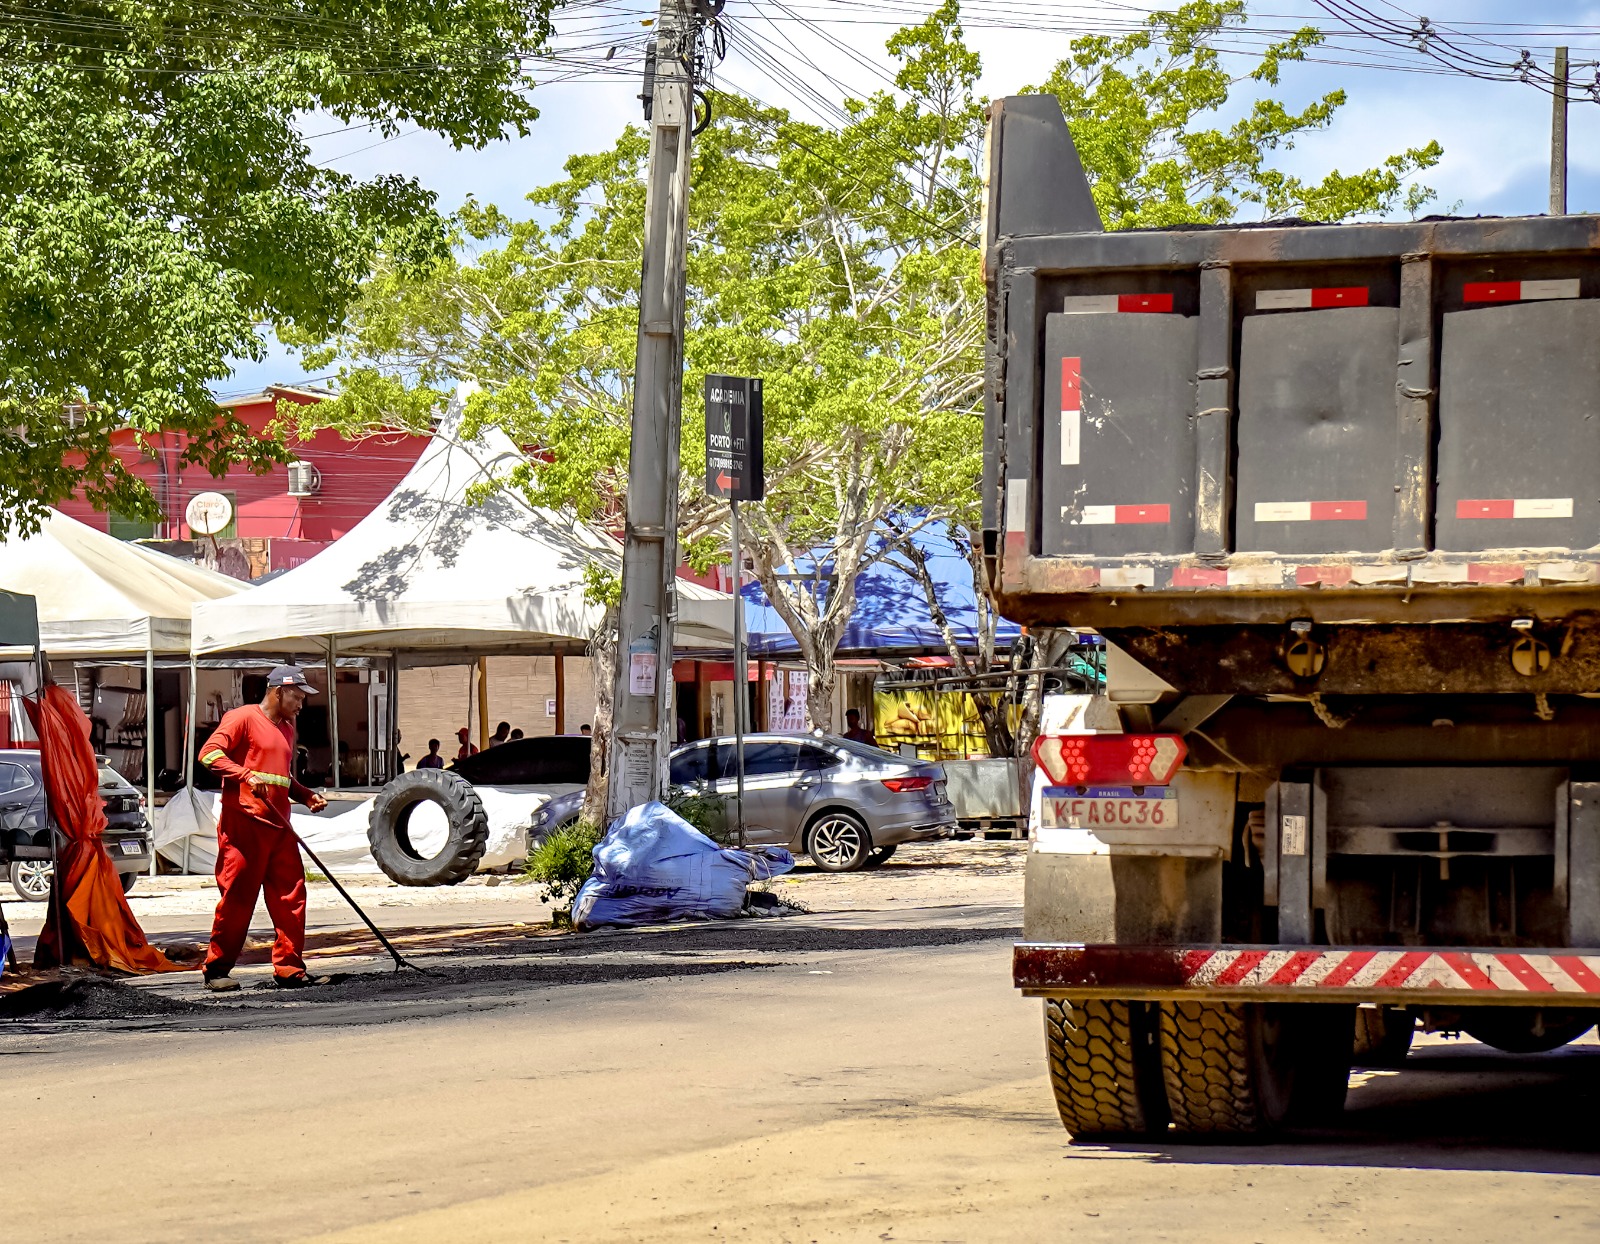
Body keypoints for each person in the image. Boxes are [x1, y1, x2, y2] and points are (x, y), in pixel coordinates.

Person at [196, 665, 328, 992]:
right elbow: (209, 755)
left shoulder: (287, 729)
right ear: (278, 692)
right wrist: (244, 775)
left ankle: (290, 969)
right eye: (297, 697)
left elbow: (281, 776)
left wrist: (304, 795)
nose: (301, 705)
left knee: (291, 896)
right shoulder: (241, 718)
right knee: (238, 898)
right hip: (244, 824)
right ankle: (217, 969)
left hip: (279, 826)